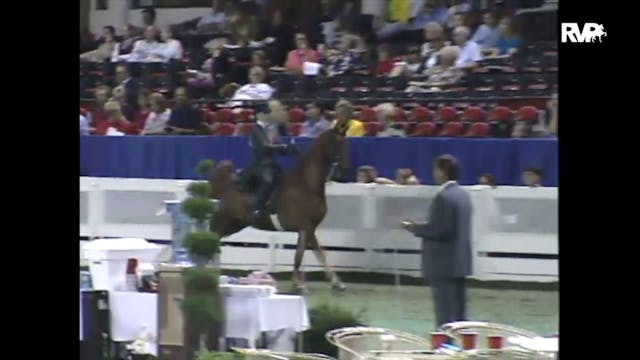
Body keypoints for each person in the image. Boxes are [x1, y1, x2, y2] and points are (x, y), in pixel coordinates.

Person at [401, 154, 473, 328]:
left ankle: (445, 347)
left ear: (442, 172)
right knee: (459, 311)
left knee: (444, 312)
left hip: (443, 262)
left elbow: (441, 229)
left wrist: (415, 228)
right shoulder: (463, 195)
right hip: (460, 261)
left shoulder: (443, 197)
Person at [248, 103, 300, 220]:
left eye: (268, 112)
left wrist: (290, 149)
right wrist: (285, 147)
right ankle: (257, 208)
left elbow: (276, 149)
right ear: (259, 115)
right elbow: (265, 147)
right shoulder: (256, 130)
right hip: (261, 164)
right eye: (265, 113)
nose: (268, 115)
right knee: (269, 181)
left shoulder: (270, 129)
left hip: (272, 163)